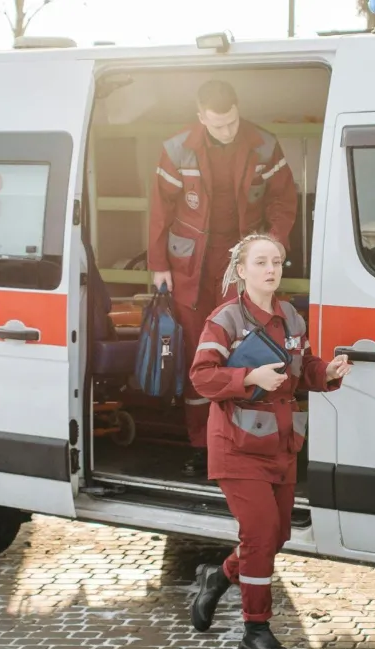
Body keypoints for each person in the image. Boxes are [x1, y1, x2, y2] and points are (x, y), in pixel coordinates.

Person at [186, 232, 352, 649]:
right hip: (236, 445)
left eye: (276, 261)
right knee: (260, 534)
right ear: (241, 270)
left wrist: (328, 371)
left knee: (276, 536)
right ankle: (255, 628)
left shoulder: (291, 317)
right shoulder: (224, 319)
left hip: (281, 442)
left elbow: (303, 368)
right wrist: (248, 378)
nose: (271, 269)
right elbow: (201, 377)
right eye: (260, 262)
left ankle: (219, 577)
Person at [146, 79, 298, 474]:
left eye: (232, 121)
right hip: (190, 268)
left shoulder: (263, 145)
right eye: (218, 125)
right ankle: (202, 444)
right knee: (201, 352)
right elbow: (160, 210)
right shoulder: (176, 148)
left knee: (242, 349)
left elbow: (283, 200)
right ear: (201, 117)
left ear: (238, 109)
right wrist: (158, 264)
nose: (228, 131)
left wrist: (273, 247)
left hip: (243, 263)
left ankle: (242, 441)